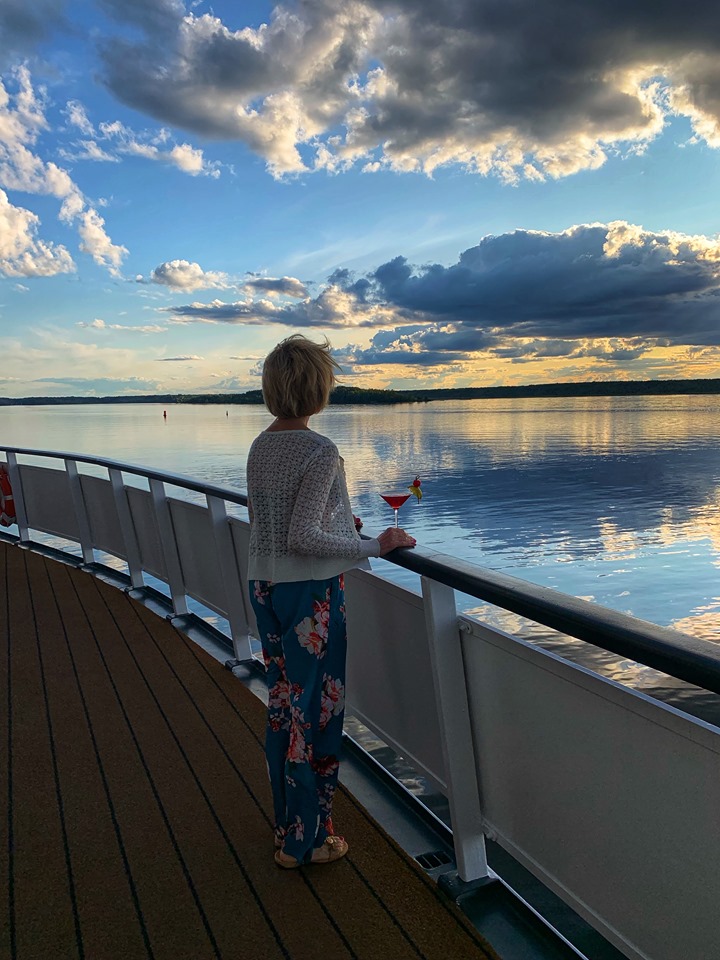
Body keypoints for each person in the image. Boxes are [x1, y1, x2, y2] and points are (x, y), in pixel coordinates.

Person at [247, 334, 416, 869]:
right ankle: (309, 840)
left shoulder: (260, 446)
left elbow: (282, 524)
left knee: (284, 706)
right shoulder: (320, 451)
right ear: (320, 390)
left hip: (266, 588)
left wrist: (341, 525)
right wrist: (373, 544)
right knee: (317, 712)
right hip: (310, 597)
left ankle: (288, 829)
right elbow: (302, 536)